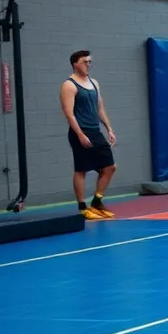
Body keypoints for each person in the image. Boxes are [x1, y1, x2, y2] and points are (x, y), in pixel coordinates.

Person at [60, 50, 118, 219]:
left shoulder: (94, 83)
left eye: (89, 62)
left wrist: (109, 129)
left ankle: (96, 203)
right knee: (82, 169)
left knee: (110, 167)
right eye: (84, 62)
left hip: (95, 131)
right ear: (75, 64)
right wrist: (80, 134)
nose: (88, 65)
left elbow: (100, 108)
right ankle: (82, 208)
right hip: (80, 132)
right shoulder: (69, 85)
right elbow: (69, 113)